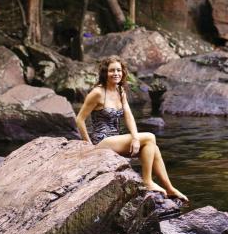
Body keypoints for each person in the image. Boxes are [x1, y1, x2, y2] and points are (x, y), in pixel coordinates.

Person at [76, 55, 188, 202]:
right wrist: (88, 144)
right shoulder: (97, 93)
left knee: (153, 148)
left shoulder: (120, 90)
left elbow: (129, 116)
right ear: (105, 73)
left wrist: (135, 138)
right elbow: (80, 119)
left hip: (115, 139)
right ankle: (147, 181)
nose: (116, 73)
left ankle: (169, 188)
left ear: (123, 72)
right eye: (111, 71)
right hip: (101, 142)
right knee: (150, 137)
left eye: (118, 70)